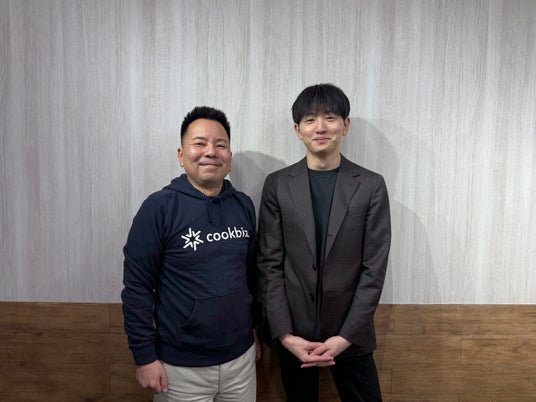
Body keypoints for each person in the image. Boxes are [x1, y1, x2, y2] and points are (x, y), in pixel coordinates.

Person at [257, 83, 391, 401]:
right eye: (310, 120)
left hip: (351, 332)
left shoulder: (370, 185)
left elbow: (373, 270)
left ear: (345, 125)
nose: (320, 127)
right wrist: (285, 335)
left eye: (330, 117)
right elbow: (269, 265)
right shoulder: (277, 185)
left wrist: (345, 337)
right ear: (297, 130)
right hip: (294, 333)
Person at [121, 106, 260, 402]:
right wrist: (144, 357)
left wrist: (254, 332)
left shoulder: (243, 205)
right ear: (181, 155)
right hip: (180, 368)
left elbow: (251, 276)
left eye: (220, 145)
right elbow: (137, 287)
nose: (211, 152)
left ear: (229, 156)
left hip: (241, 360)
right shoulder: (158, 209)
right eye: (199, 143)